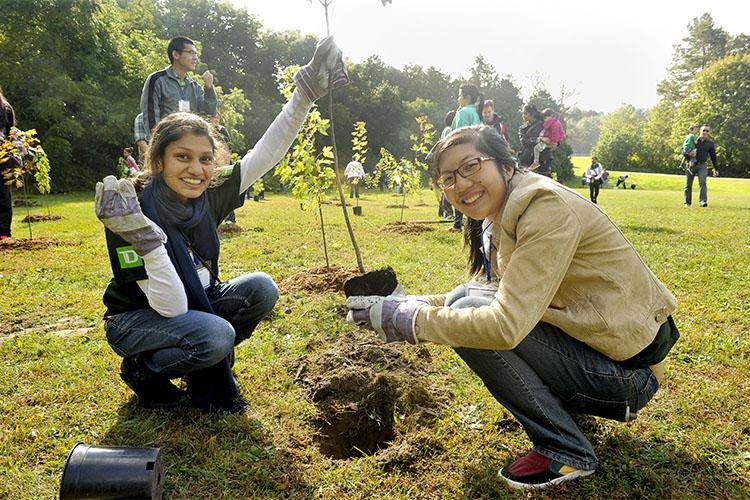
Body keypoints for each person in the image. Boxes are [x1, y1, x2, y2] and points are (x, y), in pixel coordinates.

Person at [347, 125, 679, 490]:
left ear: (505, 165)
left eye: (471, 166)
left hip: (630, 379)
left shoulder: (544, 208)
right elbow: (486, 290)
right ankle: (565, 419)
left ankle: (567, 450)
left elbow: (504, 326)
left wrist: (408, 321)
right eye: (448, 178)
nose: (460, 184)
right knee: (464, 299)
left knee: (472, 314)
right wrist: (405, 304)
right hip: (601, 359)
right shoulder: (500, 214)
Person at [96, 36, 348, 414]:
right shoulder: (129, 211)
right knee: (214, 335)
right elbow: (171, 307)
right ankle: (144, 369)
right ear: (159, 160)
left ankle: (200, 366)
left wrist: (304, 95)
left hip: (192, 303)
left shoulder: (207, 195)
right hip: (138, 317)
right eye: (182, 156)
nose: (196, 170)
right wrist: (146, 240)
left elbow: (266, 153)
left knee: (261, 289)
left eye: (205, 159)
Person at [140, 36, 218, 140]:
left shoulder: (195, 86)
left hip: (190, 143)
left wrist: (209, 88)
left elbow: (208, 114)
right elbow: (151, 116)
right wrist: (156, 144)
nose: (195, 58)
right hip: (166, 143)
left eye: (196, 54)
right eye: (191, 53)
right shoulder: (157, 80)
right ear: (176, 54)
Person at [448, 84, 483, 232]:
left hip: (461, 157)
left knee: (457, 189)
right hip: (474, 155)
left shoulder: (463, 112)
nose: (457, 98)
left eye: (459, 95)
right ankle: (473, 223)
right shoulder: (475, 112)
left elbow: (458, 136)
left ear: (466, 97)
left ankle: (458, 224)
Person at [684, 125, 719, 208]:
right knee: (688, 184)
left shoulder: (710, 143)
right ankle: (687, 203)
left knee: (703, 183)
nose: (705, 132)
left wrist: (715, 168)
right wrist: (688, 154)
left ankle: (703, 201)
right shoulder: (693, 139)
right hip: (691, 164)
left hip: (702, 165)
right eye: (704, 130)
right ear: (700, 131)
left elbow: (713, 156)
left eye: (707, 131)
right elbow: (683, 150)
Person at [518, 104, 552, 177]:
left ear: (532, 114)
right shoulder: (523, 128)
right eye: (523, 113)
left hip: (543, 159)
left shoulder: (544, 124)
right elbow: (524, 142)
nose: (523, 115)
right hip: (527, 160)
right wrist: (538, 139)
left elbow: (552, 139)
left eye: (525, 113)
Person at [0, 86, 15, 240]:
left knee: (3, 195)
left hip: (2, 158)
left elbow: (11, 133)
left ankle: (4, 233)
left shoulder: (5, 108)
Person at [439, 110, 456, 219]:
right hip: (448, 159)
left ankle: (444, 211)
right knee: (449, 185)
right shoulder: (449, 130)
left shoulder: (446, 130)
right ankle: (448, 212)